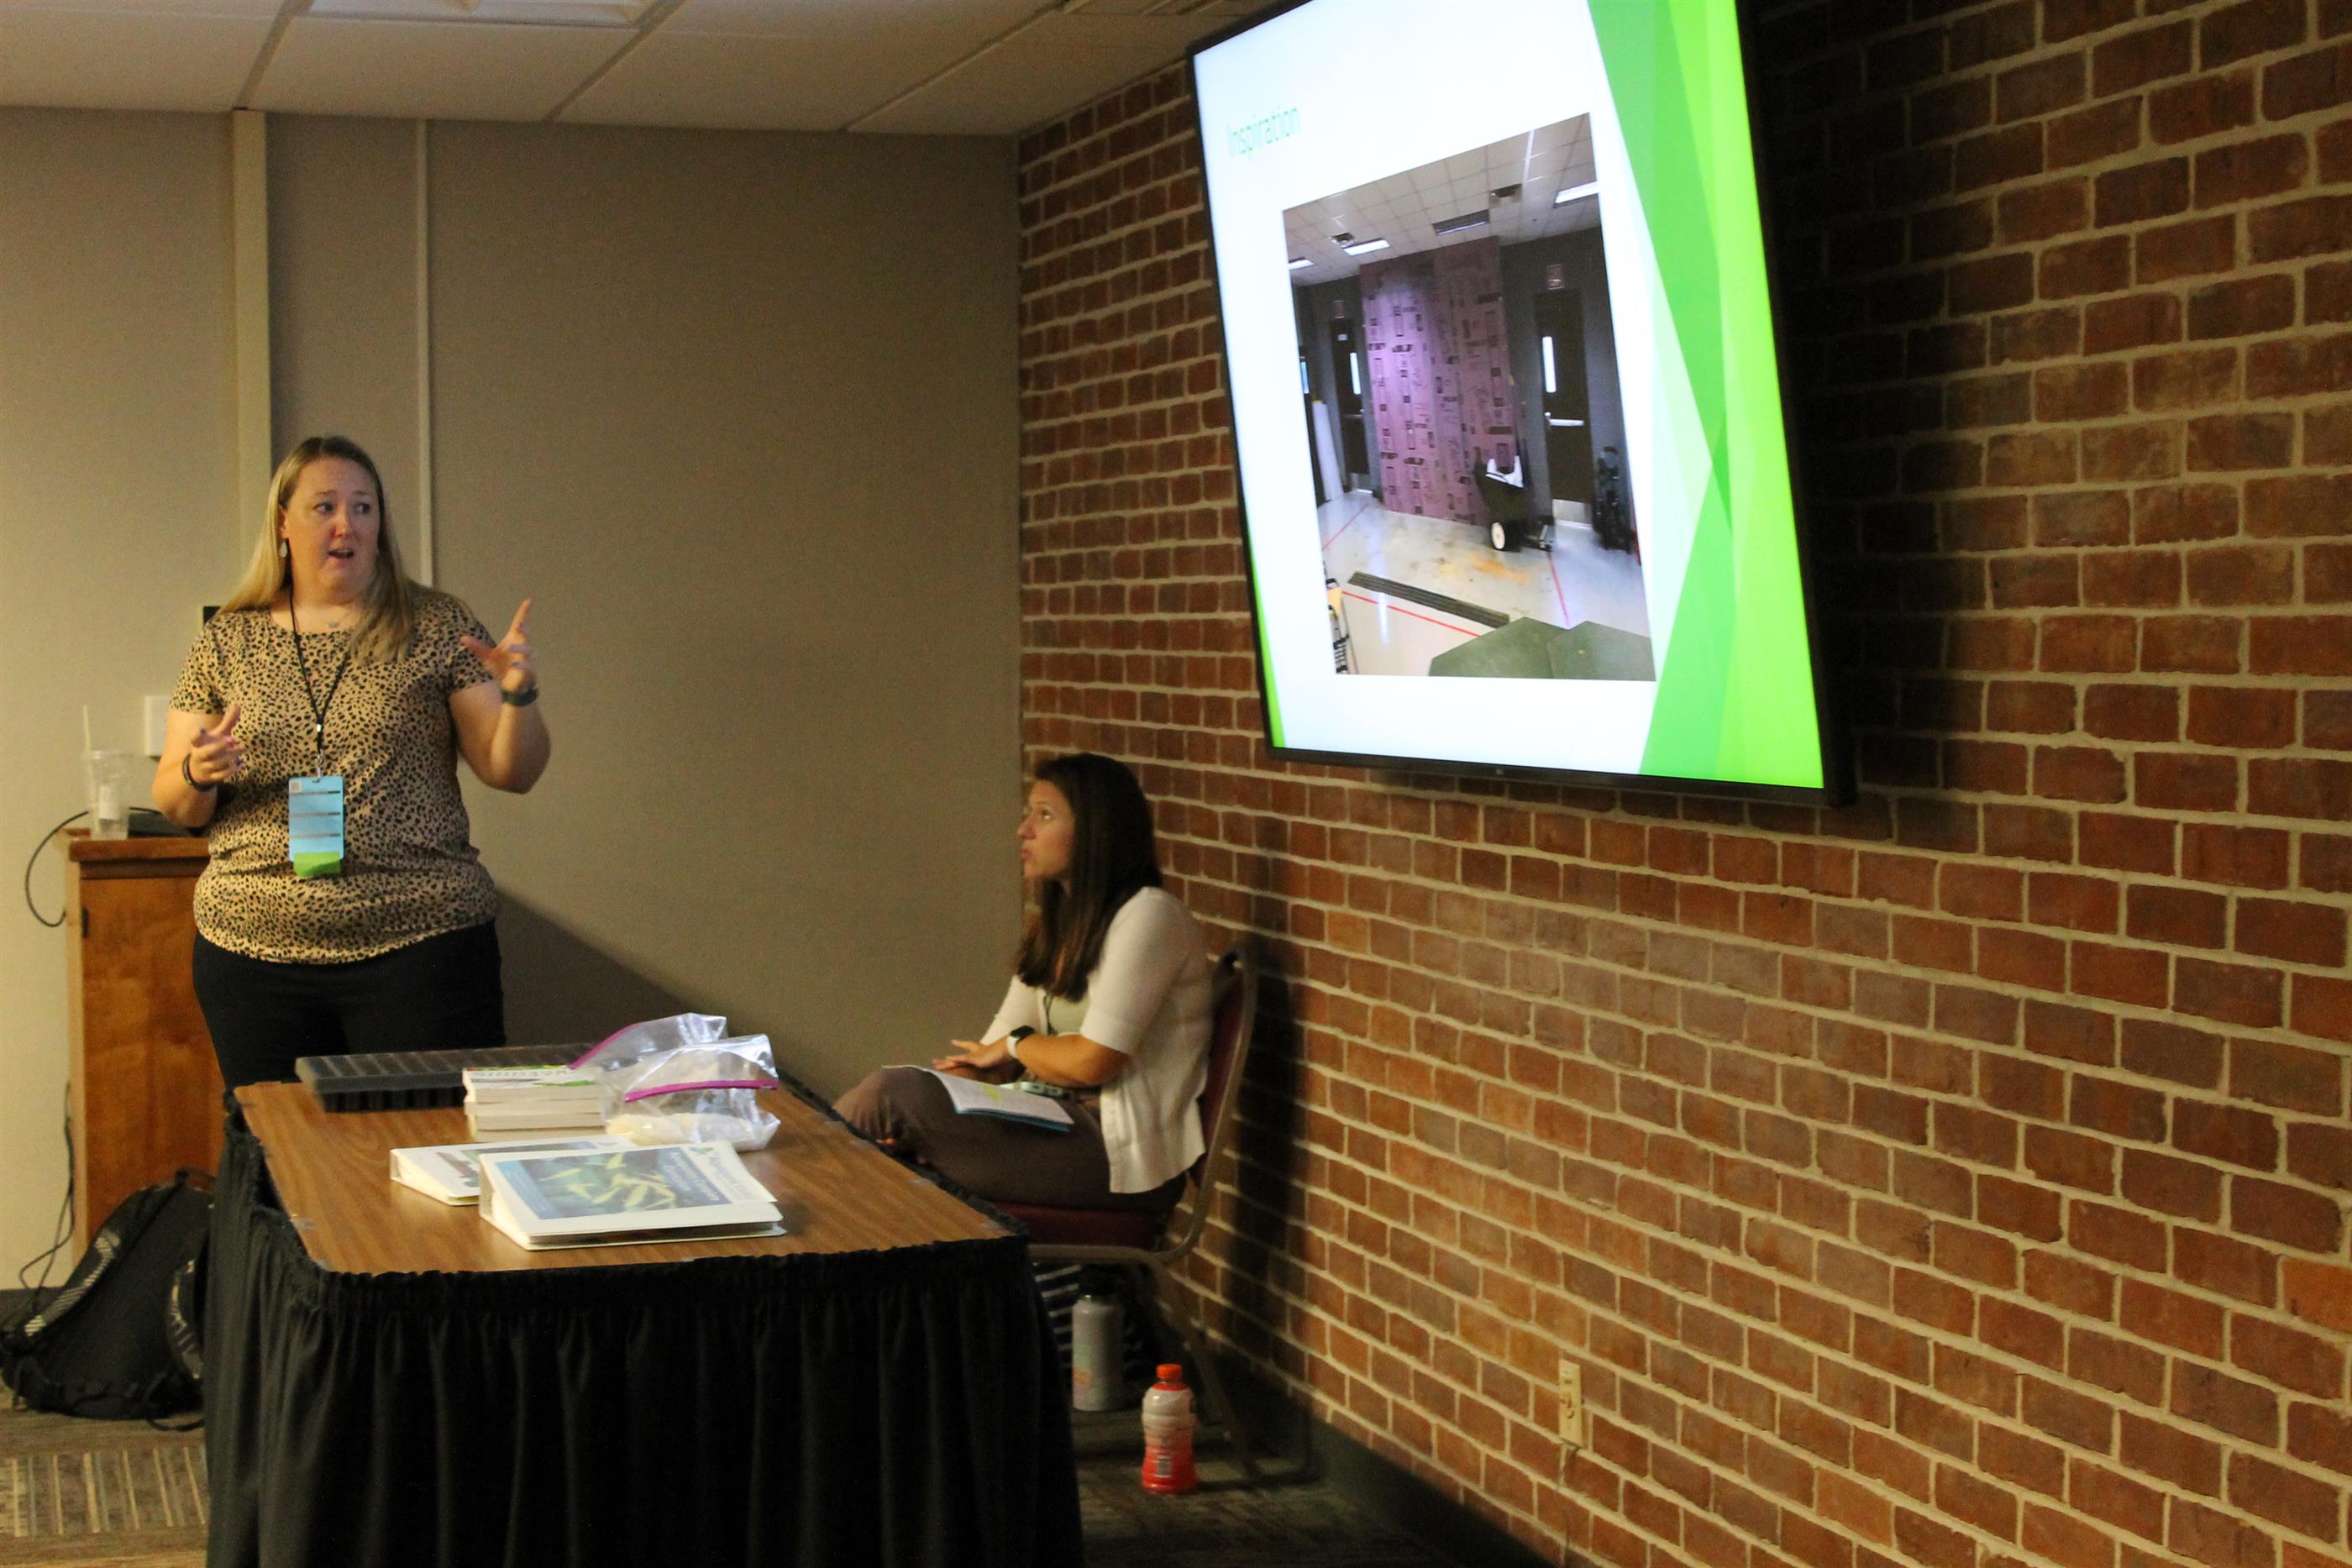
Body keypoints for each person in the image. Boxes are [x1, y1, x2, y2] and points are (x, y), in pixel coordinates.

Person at [154, 434, 551, 1089]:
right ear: (283, 522)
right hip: (255, 954)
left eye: (363, 507)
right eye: (325, 507)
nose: (348, 524)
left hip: (421, 943)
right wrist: (200, 770)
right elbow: (174, 799)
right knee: (277, 1147)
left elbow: (513, 771)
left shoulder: (435, 624)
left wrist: (518, 695)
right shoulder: (228, 638)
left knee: (426, 1142)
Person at [836, 753, 1215, 1210]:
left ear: (1096, 831)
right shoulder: (1059, 926)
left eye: (1045, 815)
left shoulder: (1150, 916)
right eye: (1028, 814)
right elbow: (991, 1057)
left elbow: (1091, 1062)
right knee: (896, 1110)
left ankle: (788, 1211)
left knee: (891, 1094)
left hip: (1117, 1155)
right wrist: (940, 1094)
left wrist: (1017, 1046)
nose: (1024, 830)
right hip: (1053, 1120)